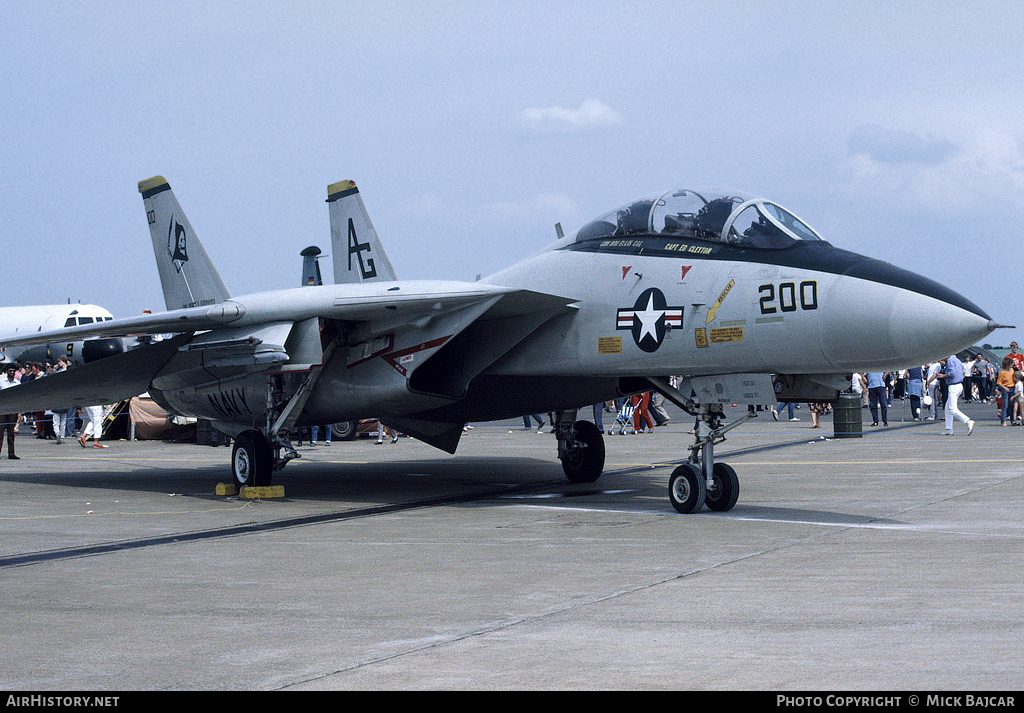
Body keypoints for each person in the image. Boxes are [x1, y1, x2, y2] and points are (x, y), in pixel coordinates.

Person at [935, 355, 975, 435]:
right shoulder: (958, 360)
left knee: (952, 409)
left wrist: (943, 376)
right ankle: (949, 429)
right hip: (959, 385)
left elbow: (952, 373)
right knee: (947, 408)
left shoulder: (950, 360)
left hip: (953, 386)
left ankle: (968, 421)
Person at [0, 365, 20, 459]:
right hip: (2, 409)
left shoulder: (17, 383)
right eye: (10, 371)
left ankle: (11, 453)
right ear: (7, 371)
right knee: (0, 432)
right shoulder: (1, 382)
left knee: (11, 433)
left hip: (12, 409)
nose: (12, 372)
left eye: (13, 371)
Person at [994, 356, 1015, 426]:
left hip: (1012, 387)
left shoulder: (1012, 370)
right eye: (1011, 363)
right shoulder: (1002, 372)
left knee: (1011, 405)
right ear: (1007, 364)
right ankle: (1004, 421)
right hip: (1005, 388)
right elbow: (999, 382)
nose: (1012, 365)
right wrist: (1004, 388)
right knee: (1005, 405)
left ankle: (1012, 420)